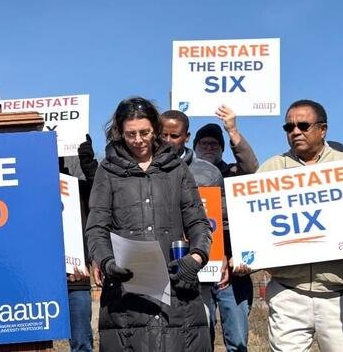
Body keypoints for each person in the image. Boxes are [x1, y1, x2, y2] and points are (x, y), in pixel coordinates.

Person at [86, 97, 212, 351]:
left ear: (155, 129)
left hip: (177, 286)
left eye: (144, 132)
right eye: (130, 134)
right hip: (125, 295)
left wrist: (196, 257)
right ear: (119, 132)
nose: (138, 140)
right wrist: (107, 262)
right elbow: (96, 227)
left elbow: (198, 221)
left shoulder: (177, 168)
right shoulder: (107, 171)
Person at [258, 99, 343, 351]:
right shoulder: (270, 168)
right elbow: (254, 224)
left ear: (323, 129)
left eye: (303, 125)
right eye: (289, 127)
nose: (295, 131)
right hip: (287, 293)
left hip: (341, 295)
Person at [161, 110, 234, 350]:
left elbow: (220, 221)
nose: (167, 141)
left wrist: (222, 255)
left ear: (186, 136)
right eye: (163, 135)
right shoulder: (142, 167)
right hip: (158, 265)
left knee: (200, 328)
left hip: (197, 267)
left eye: (174, 136)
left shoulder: (209, 172)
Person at [193, 105, 258, 351]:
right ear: (195, 146)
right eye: (204, 143)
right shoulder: (183, 175)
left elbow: (251, 169)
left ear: (222, 148)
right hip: (197, 267)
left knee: (238, 339)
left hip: (233, 269)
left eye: (214, 144)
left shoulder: (233, 174)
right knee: (201, 336)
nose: (209, 147)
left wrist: (232, 130)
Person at [60, 135, 98, 352]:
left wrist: (89, 164)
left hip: (75, 278)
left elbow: (102, 193)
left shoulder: (78, 187)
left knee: (82, 344)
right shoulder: (25, 187)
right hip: (36, 282)